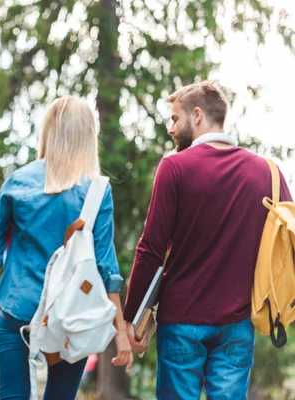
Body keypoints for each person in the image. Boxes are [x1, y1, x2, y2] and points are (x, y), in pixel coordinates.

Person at [123, 80, 294, 400]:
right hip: (237, 323)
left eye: (175, 118)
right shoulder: (268, 172)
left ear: (197, 115)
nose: (171, 129)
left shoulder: (174, 167)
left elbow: (150, 249)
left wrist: (131, 318)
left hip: (182, 322)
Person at [0, 96, 133, 400]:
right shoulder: (97, 190)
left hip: (17, 310)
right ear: (89, 136)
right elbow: (105, 267)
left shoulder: (18, 181)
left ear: (48, 131)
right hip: (71, 316)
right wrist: (121, 331)